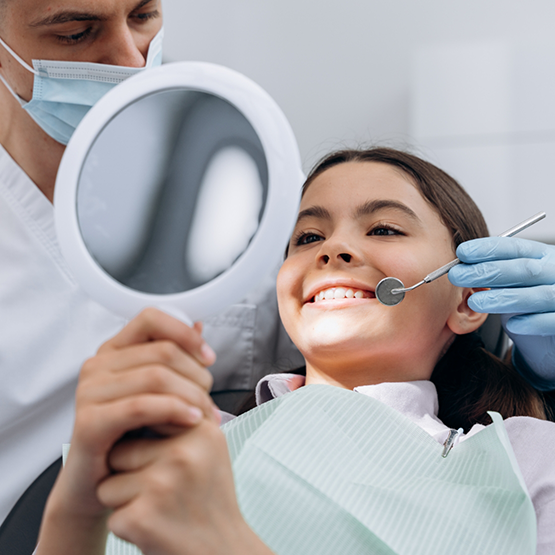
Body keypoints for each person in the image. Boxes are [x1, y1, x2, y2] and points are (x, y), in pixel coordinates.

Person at [0, 0, 554, 530]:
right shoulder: (183, 455)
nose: (131, 60)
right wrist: (83, 489)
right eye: (74, 32)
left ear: (465, 298)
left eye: (144, 15)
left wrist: (541, 376)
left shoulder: (521, 462)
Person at [35, 148, 555, 555]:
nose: (332, 249)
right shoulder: (180, 434)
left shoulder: (525, 457)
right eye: (308, 236)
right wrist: (79, 503)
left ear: (467, 300)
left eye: (383, 228)